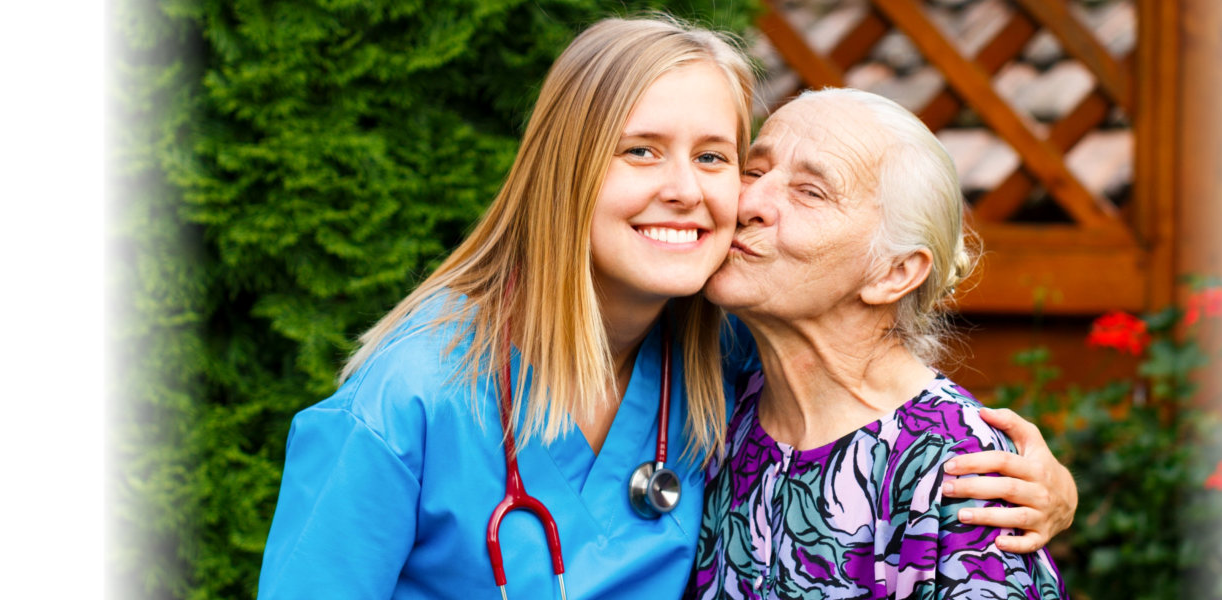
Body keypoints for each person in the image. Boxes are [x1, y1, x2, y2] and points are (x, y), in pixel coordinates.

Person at [257, 16, 1074, 600]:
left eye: (715, 157)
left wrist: (1044, 487)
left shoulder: (725, 362)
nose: (688, 190)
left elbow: (870, 388)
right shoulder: (406, 402)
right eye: (640, 150)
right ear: (566, 171)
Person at [686, 88, 1066, 599]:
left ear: (893, 273)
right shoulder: (719, 391)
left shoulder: (956, 469)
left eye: (810, 192)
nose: (748, 202)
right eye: (753, 171)